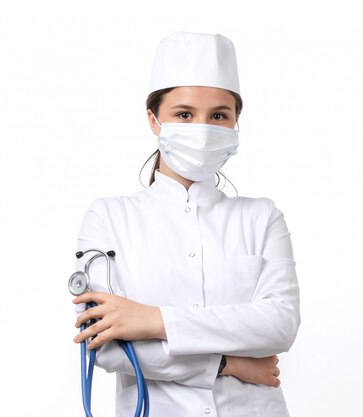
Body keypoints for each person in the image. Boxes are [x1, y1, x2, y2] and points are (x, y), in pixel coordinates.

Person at [71, 31, 301, 417]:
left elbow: (279, 325)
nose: (203, 127)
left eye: (218, 115)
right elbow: (108, 348)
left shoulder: (262, 217)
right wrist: (228, 364)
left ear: (235, 123)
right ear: (153, 120)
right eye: (183, 114)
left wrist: (151, 320)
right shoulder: (109, 217)